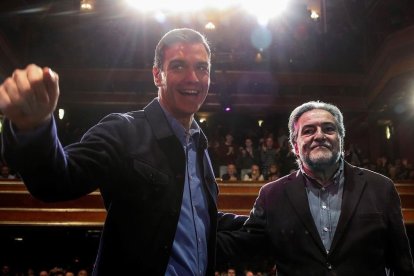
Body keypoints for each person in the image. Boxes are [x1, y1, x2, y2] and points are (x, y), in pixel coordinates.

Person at [0, 28, 245, 275]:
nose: (193, 77)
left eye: (202, 68)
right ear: (157, 76)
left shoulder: (199, 145)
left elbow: (196, 219)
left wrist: (262, 222)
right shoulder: (123, 130)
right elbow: (55, 180)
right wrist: (33, 125)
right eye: (179, 66)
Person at [217, 101, 414, 275]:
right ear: (294, 146)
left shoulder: (380, 187)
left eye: (328, 129)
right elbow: (244, 244)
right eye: (309, 130)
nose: (319, 136)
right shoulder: (272, 194)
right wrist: (194, 223)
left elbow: (402, 263)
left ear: (341, 140)